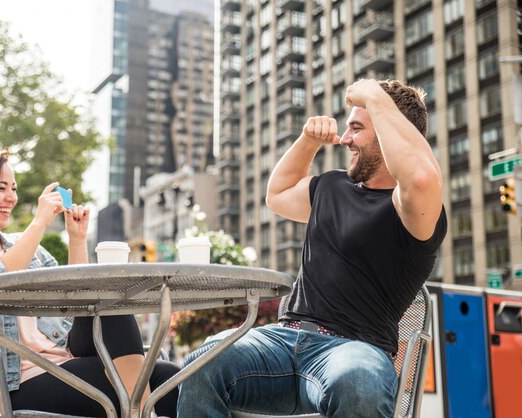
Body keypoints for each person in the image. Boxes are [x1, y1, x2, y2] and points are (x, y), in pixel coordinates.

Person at [177, 79, 447, 417]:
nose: (346, 138)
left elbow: (420, 177)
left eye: (357, 128)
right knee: (203, 361)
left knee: (359, 384)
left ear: (390, 131)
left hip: (352, 350)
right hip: (281, 342)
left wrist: (375, 96)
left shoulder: (412, 211)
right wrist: (307, 141)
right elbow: (276, 196)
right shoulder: (333, 186)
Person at [0, 149, 178, 417]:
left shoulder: (29, 248)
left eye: (14, 188)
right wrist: (39, 222)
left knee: (166, 371)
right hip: (12, 386)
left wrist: (76, 239)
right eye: (1, 188)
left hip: (65, 358)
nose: (12, 197)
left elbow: (76, 296)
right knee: (148, 384)